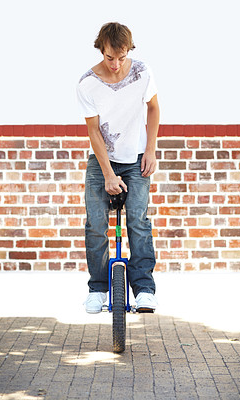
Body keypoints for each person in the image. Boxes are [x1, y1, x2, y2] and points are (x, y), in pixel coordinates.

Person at [76, 22, 160, 313]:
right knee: (96, 224)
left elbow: (153, 107)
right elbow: (94, 132)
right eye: (110, 57)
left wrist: (150, 149)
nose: (116, 64)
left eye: (121, 57)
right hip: (102, 162)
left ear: (128, 51)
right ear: (101, 50)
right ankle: (98, 289)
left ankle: (144, 289)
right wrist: (109, 174)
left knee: (138, 221)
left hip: (137, 158)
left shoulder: (142, 72)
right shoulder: (87, 83)